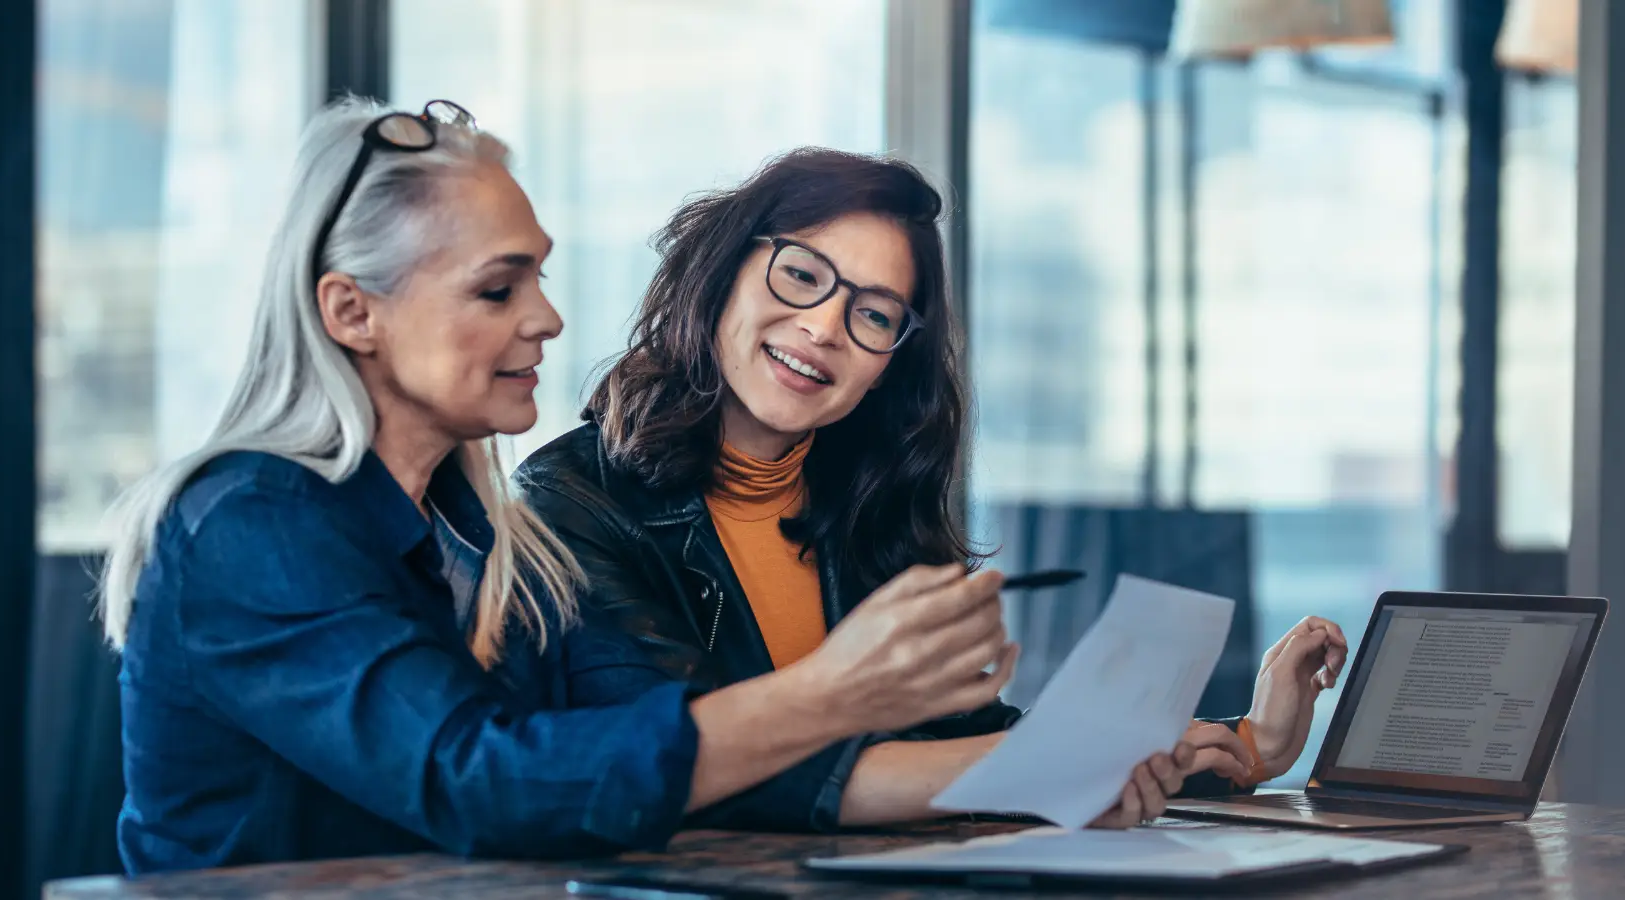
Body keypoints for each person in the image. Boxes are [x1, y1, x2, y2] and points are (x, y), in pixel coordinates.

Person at [99, 100, 1207, 875]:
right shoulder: (249, 524)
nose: (546, 317)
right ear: (352, 312)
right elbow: (482, 784)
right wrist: (838, 693)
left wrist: (1056, 768)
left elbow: (659, 757)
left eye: (537, 274)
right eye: (499, 286)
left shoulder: (483, 535)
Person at [516, 147, 1349, 832]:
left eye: (874, 314)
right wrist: (1061, 767)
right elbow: (697, 766)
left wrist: (1250, 743)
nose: (824, 328)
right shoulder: (567, 505)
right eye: (801, 275)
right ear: (723, 272)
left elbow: (965, 743)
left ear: (889, 367)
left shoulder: (864, 509)